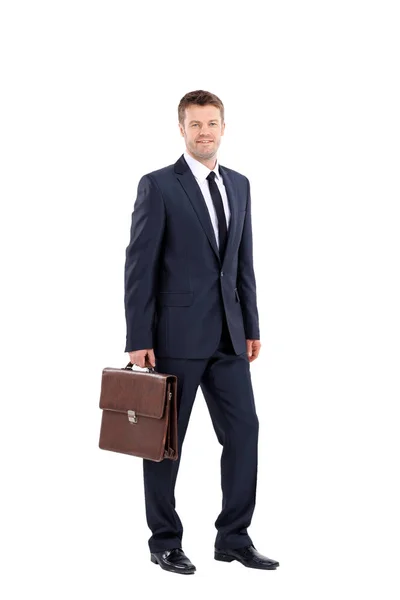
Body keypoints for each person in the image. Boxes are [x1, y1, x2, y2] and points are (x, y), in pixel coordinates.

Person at [124, 90, 279, 574]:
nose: (205, 131)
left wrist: (251, 324)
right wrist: (138, 336)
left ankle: (233, 537)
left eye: (212, 123)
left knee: (244, 432)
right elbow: (139, 266)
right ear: (182, 129)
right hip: (175, 337)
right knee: (166, 443)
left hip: (230, 338)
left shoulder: (240, 184)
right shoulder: (159, 186)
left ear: (224, 127)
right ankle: (164, 540)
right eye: (196, 124)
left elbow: (242, 263)